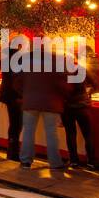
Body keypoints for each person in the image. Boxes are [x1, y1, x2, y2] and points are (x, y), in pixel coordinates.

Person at [19, 38, 68, 170]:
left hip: (30, 101)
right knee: (51, 133)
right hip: (50, 102)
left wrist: (25, 93)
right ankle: (55, 163)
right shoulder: (56, 61)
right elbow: (63, 84)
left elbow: (17, 81)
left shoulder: (25, 60)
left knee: (28, 131)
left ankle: (25, 161)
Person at [62, 49, 99, 169]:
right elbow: (96, 84)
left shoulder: (61, 72)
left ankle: (74, 161)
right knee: (88, 134)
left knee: (70, 133)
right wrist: (89, 93)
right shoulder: (81, 69)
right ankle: (91, 161)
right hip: (83, 106)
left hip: (67, 107)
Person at [0, 38, 24, 162]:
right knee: (17, 124)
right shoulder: (18, 59)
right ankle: (14, 152)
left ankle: (11, 150)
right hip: (15, 95)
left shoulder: (4, 59)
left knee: (13, 123)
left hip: (7, 94)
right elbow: (18, 80)